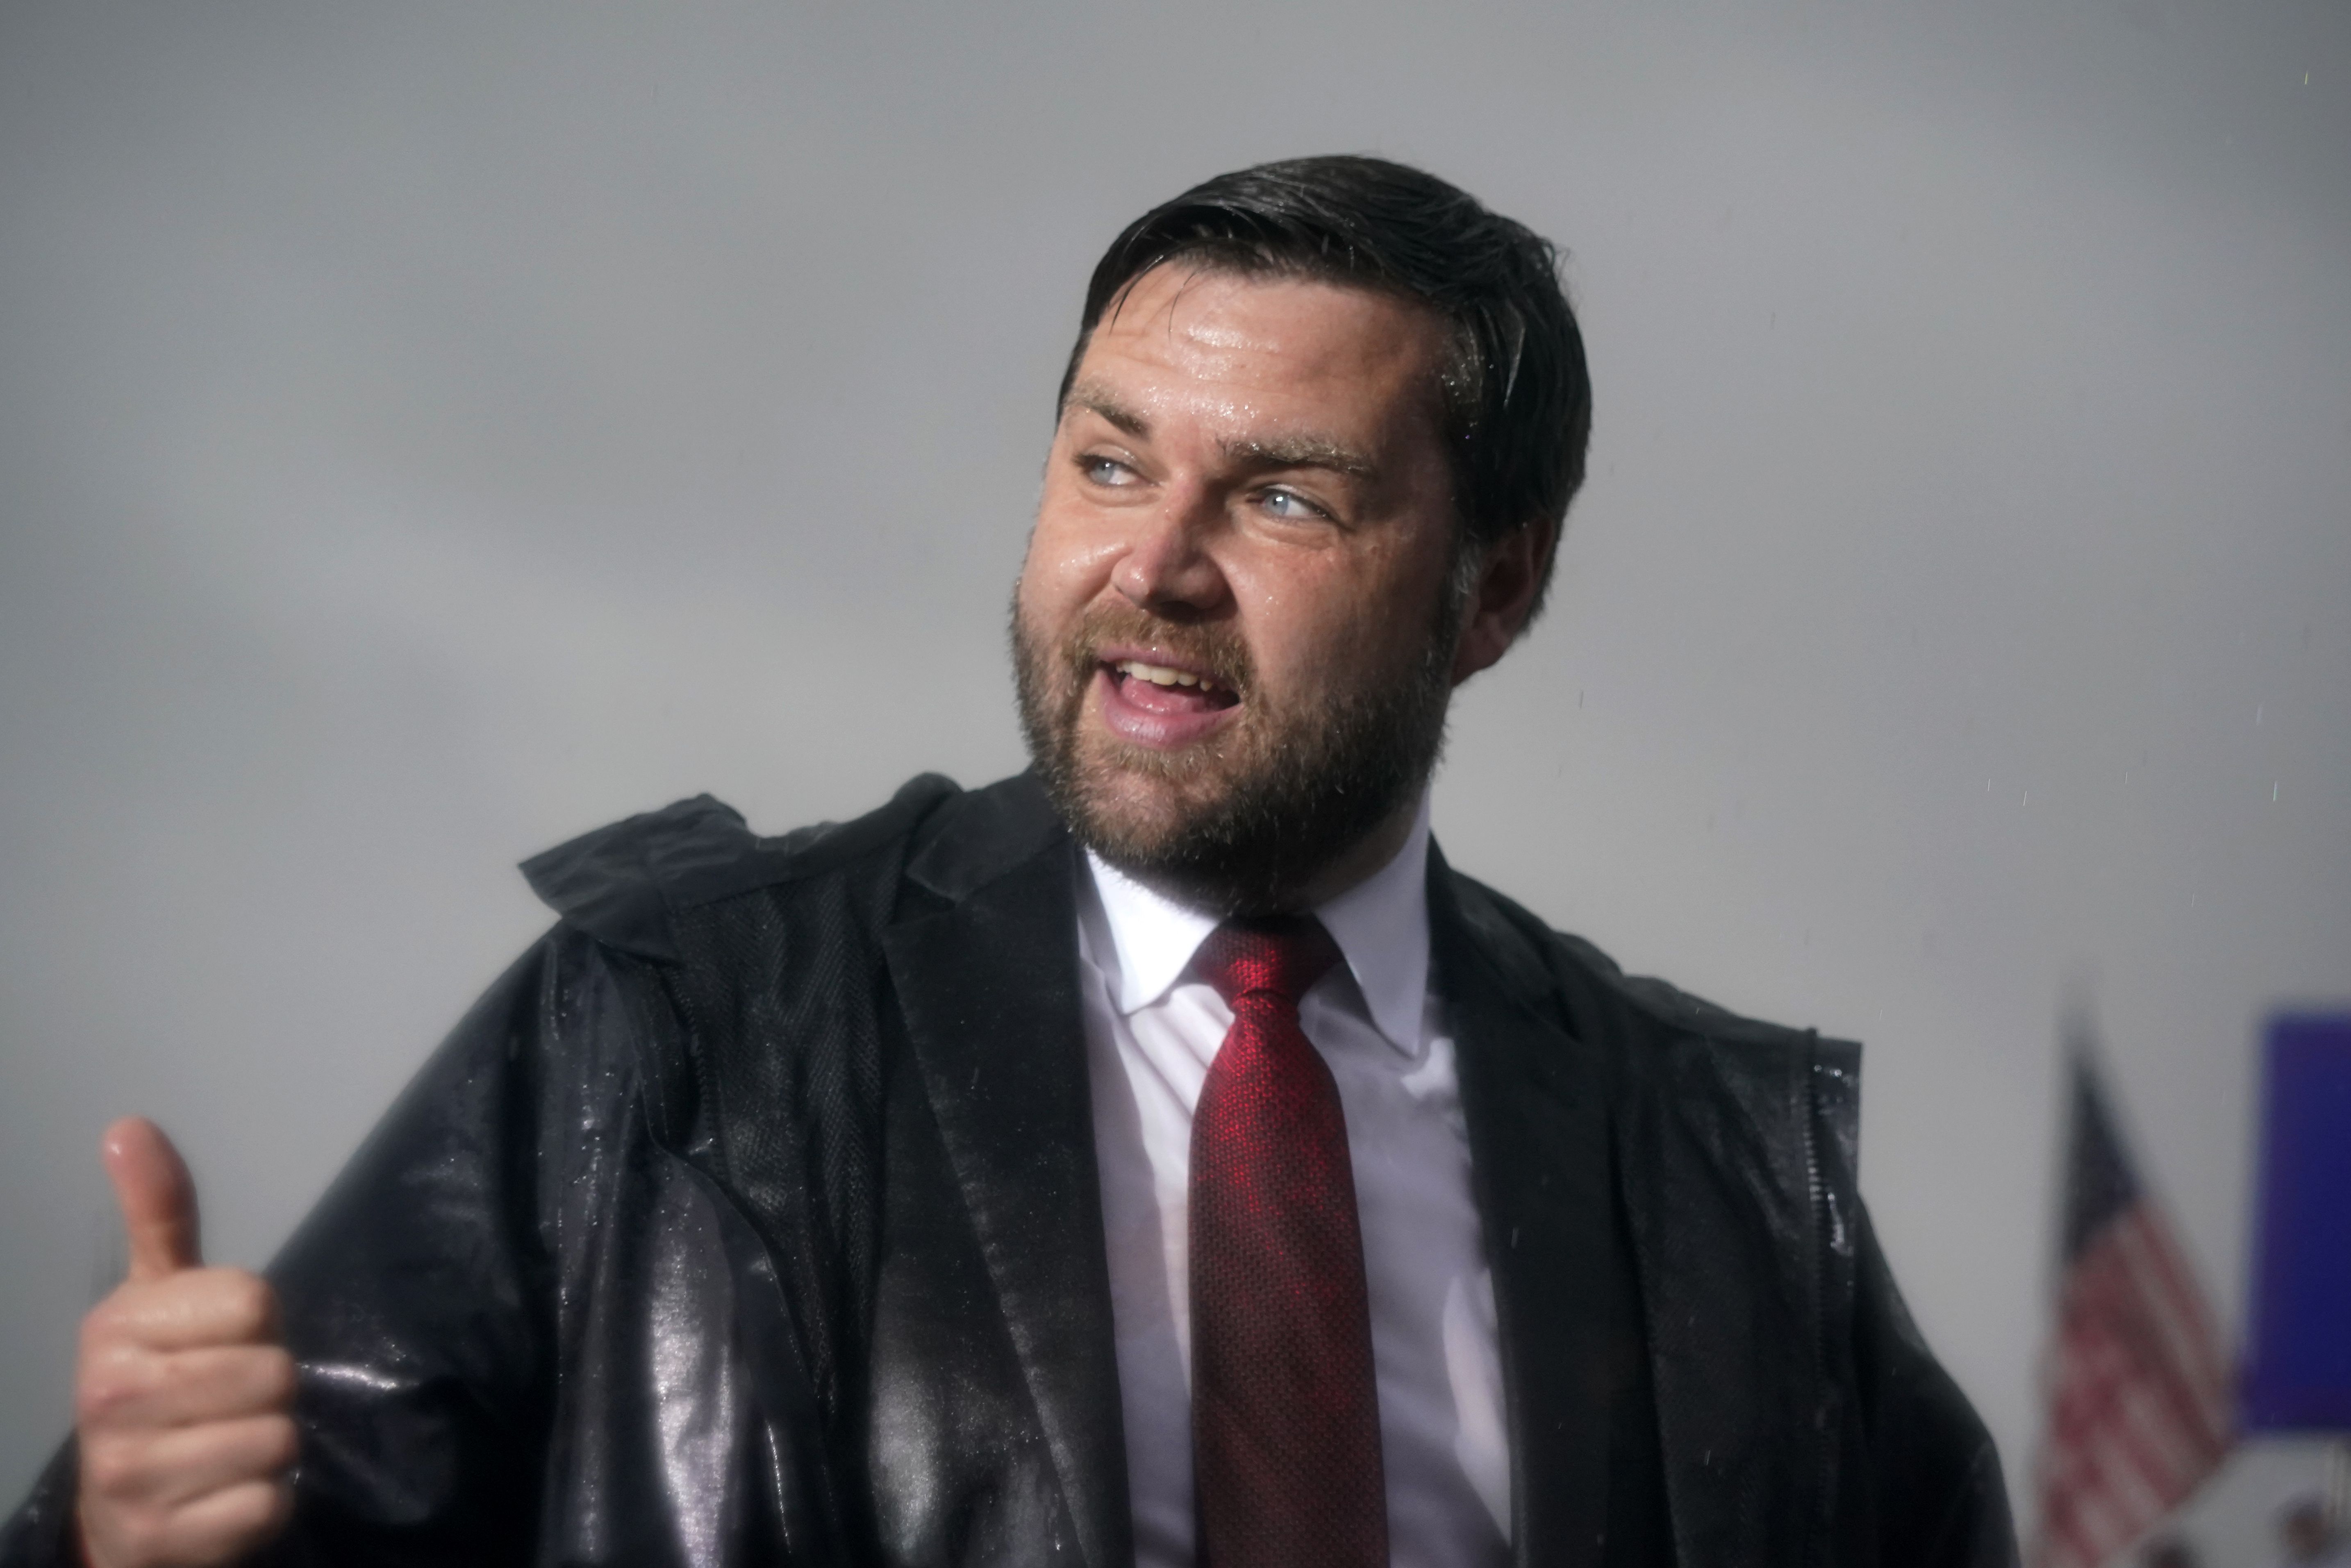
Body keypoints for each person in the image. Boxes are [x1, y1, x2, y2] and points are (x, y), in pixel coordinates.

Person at [1, 155, 2015, 1568]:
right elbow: (289, 1525)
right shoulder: (681, 1028)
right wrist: (129, 1535)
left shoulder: (1720, 1167)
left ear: (1493, 588)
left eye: (1288, 499)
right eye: (1110, 459)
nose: (1153, 566)